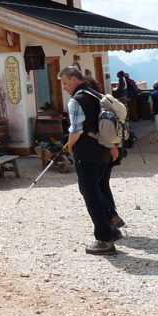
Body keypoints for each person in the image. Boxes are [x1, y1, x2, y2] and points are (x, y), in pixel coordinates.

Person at [59, 66, 117, 255]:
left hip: (86, 153)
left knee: (90, 195)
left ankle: (104, 240)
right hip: (103, 150)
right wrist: (112, 146)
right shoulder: (97, 95)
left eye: (65, 83)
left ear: (75, 80)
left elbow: (75, 130)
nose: (64, 87)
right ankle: (112, 226)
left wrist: (69, 145)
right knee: (99, 189)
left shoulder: (76, 101)